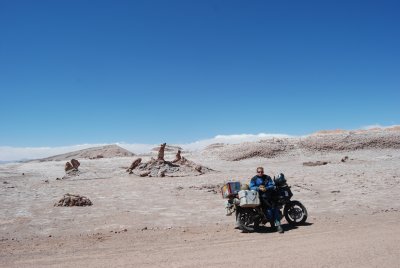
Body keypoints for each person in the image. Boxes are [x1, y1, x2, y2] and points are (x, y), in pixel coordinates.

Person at [249, 167, 284, 233]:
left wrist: (266, 188)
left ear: (263, 171)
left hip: (271, 197)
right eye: (259, 172)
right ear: (257, 172)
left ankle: (279, 226)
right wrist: (258, 188)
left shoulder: (267, 177)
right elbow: (251, 187)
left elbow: (272, 185)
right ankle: (272, 225)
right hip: (261, 198)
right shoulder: (254, 179)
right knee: (268, 212)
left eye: (261, 171)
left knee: (275, 210)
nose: (260, 173)